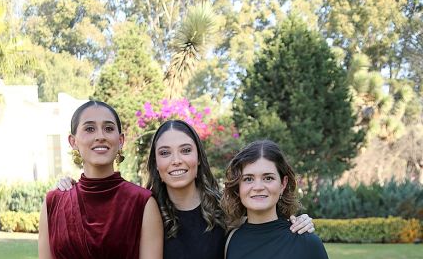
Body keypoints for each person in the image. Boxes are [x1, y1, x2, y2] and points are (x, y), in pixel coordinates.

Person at [57, 120, 314, 259]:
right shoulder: (141, 209)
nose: (176, 160)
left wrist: (302, 223)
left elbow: (263, 232)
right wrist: (70, 189)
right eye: (165, 153)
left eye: (186, 150)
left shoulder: (226, 211)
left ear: (198, 157)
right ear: (156, 164)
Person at [38, 101, 163, 259]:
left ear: (120, 140)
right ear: (73, 141)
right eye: (90, 129)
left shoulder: (143, 202)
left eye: (108, 129)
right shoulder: (53, 203)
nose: (100, 136)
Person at [221, 140, 328, 259]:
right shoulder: (230, 241)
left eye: (268, 178)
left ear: (283, 184)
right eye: (248, 179)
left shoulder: (307, 242)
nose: (258, 187)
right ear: (238, 186)